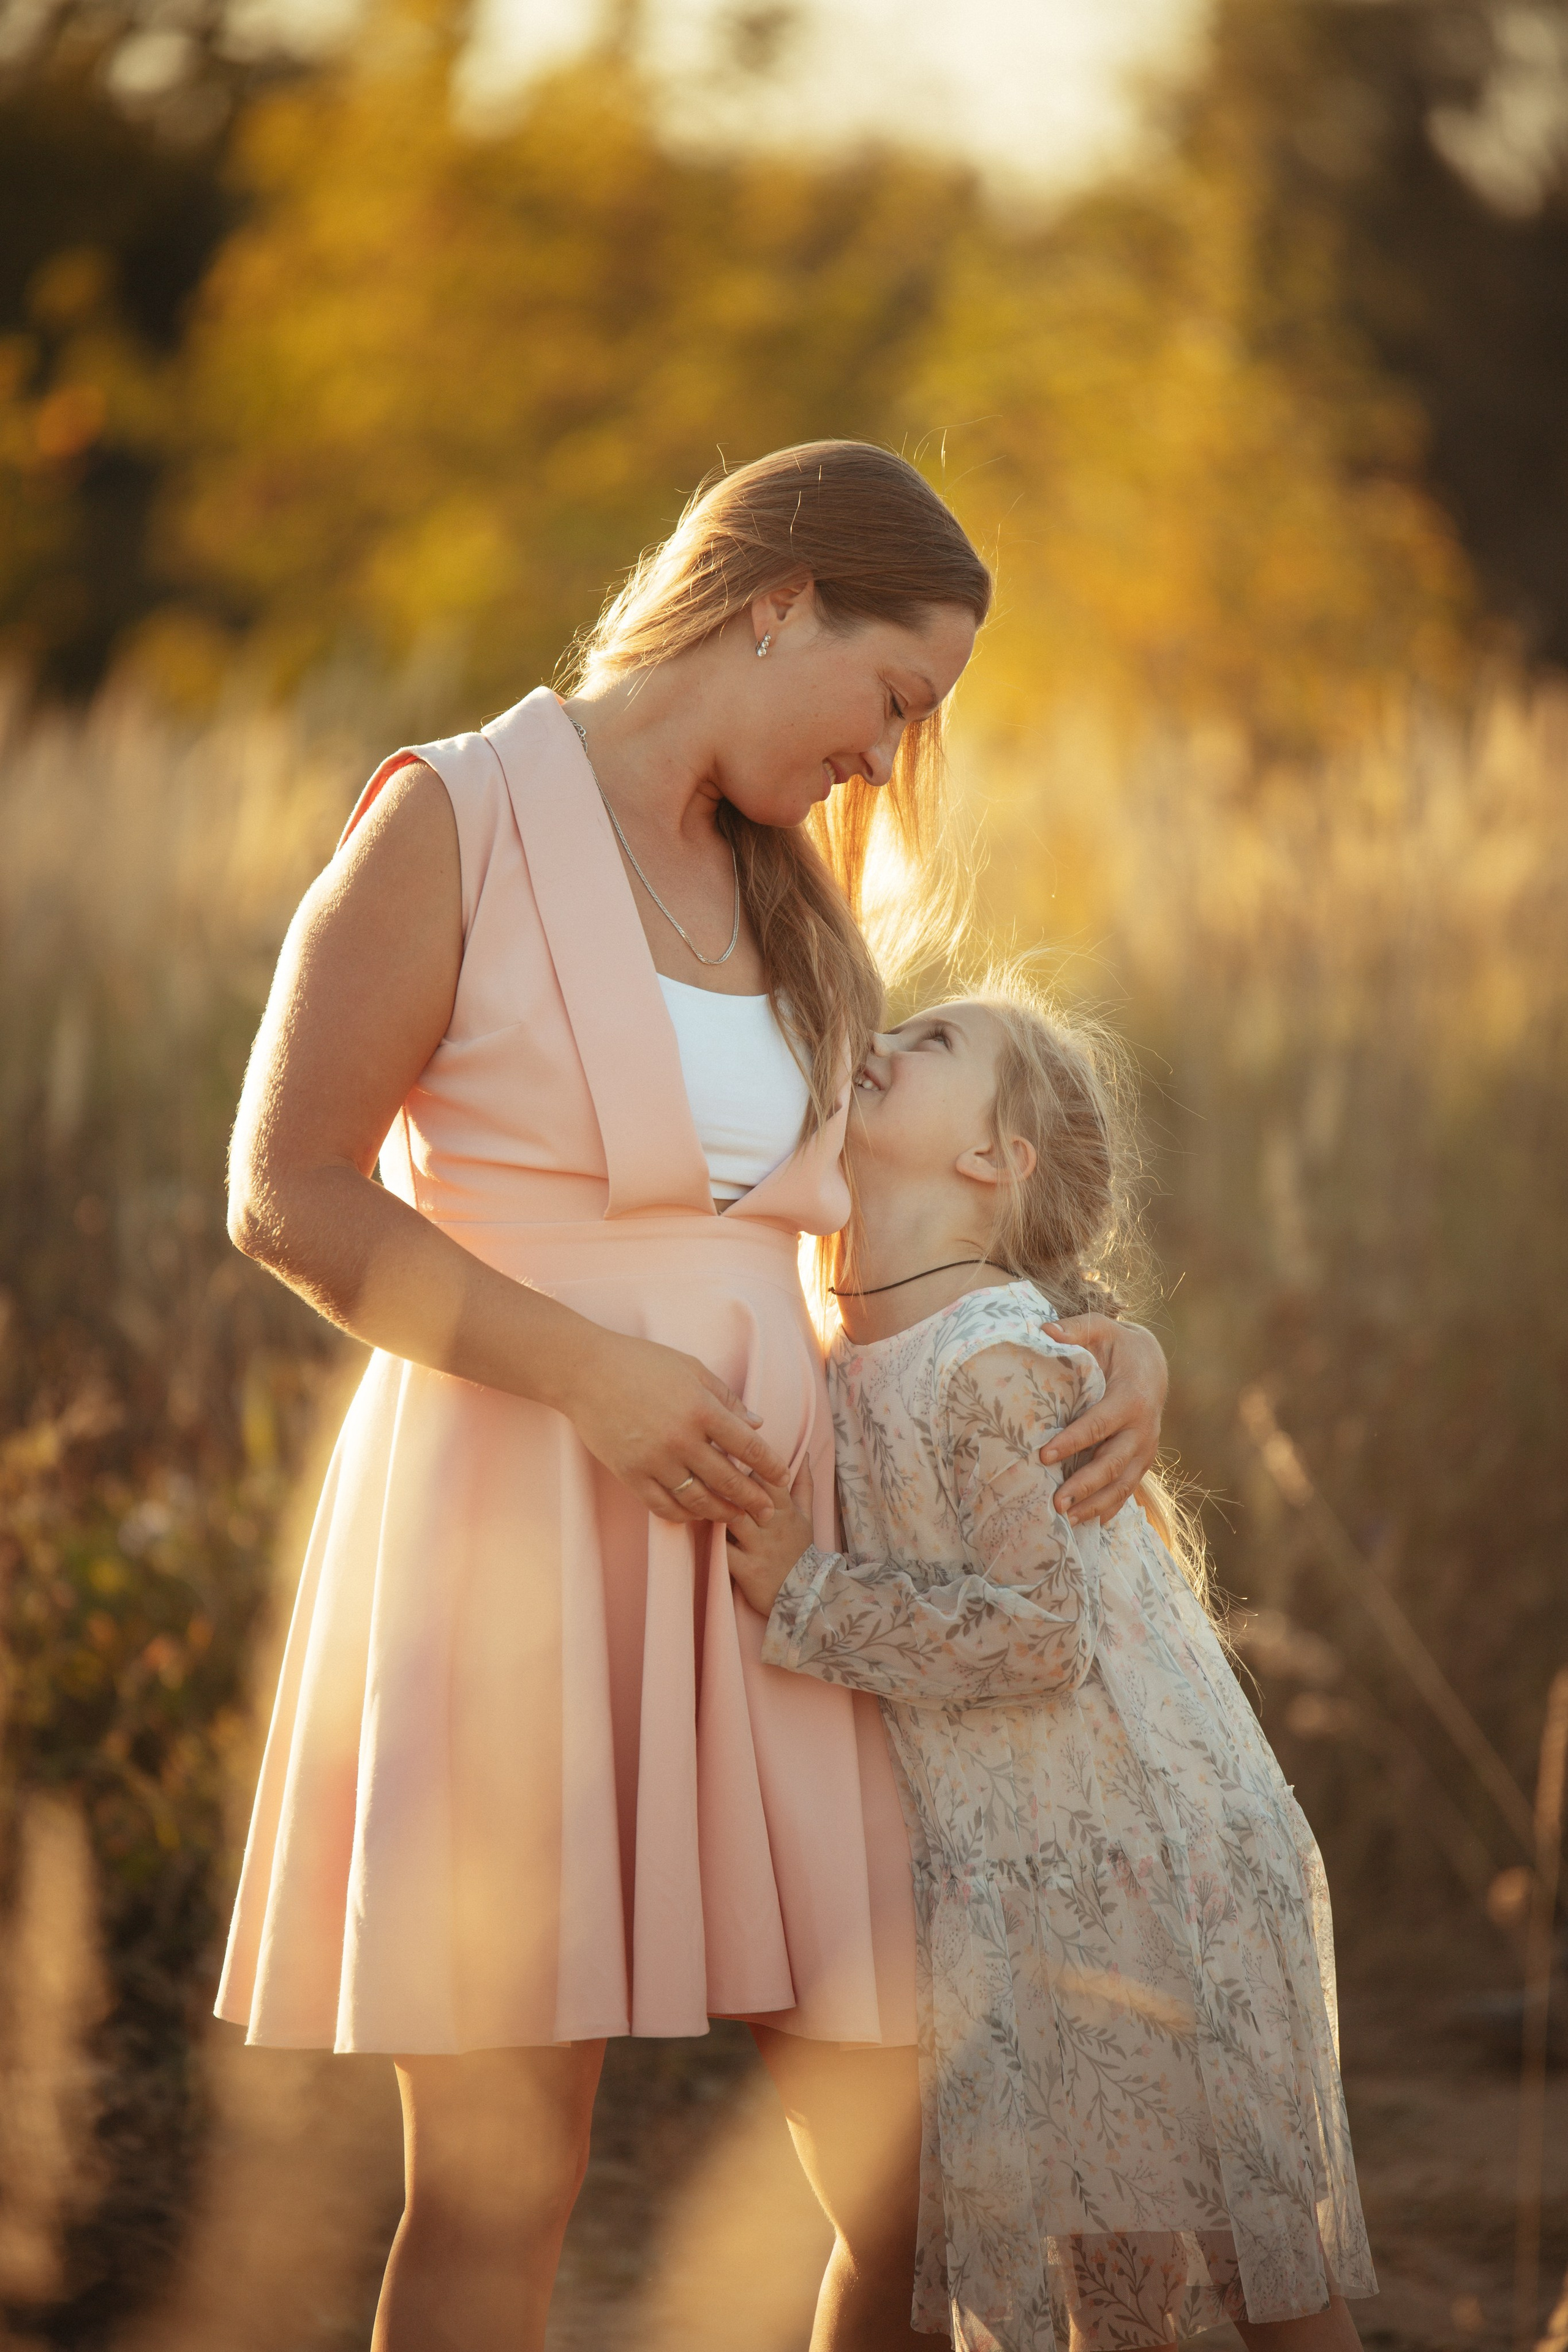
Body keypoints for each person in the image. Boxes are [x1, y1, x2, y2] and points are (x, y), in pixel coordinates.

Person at [216, 442, 1172, 2351]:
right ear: (781, 599)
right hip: (515, 1525)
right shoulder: (451, 817)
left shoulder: (796, 899)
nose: (893, 758)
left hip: (779, 1564)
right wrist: (589, 1376)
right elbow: (285, 1192)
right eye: (896, 696)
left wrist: (1103, 1337)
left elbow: (877, 1233)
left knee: (912, 2167)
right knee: (506, 2181)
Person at [727, 984, 1377, 2352]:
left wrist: (806, 1592)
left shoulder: (988, 1363)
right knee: (1104, 2289)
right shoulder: (852, 1347)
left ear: (991, 1159)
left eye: (931, 1043)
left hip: (1150, 1860)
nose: (881, 1041)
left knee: (1265, 2277)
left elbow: (1035, 1630)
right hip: (1030, 1871)